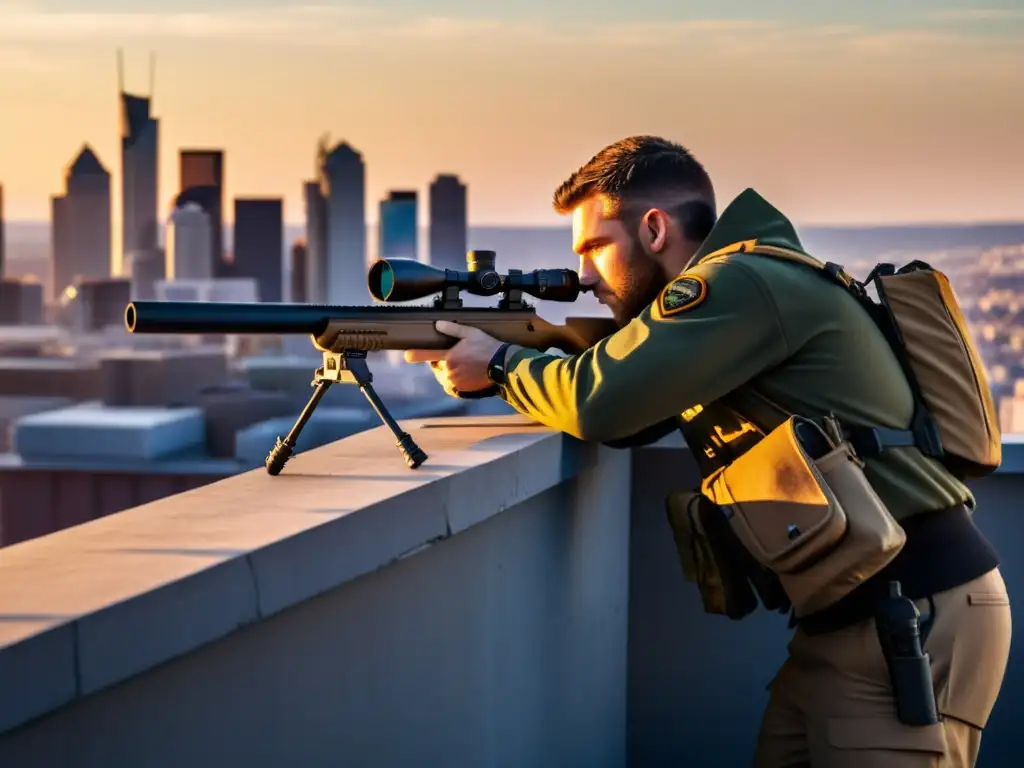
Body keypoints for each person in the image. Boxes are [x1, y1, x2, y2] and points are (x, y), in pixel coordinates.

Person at [404, 135, 1011, 767]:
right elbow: (633, 417)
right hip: (856, 621)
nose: (585, 276)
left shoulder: (738, 283)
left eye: (594, 247)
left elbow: (602, 402)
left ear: (655, 228)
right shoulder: (743, 286)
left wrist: (501, 365)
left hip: (907, 620)